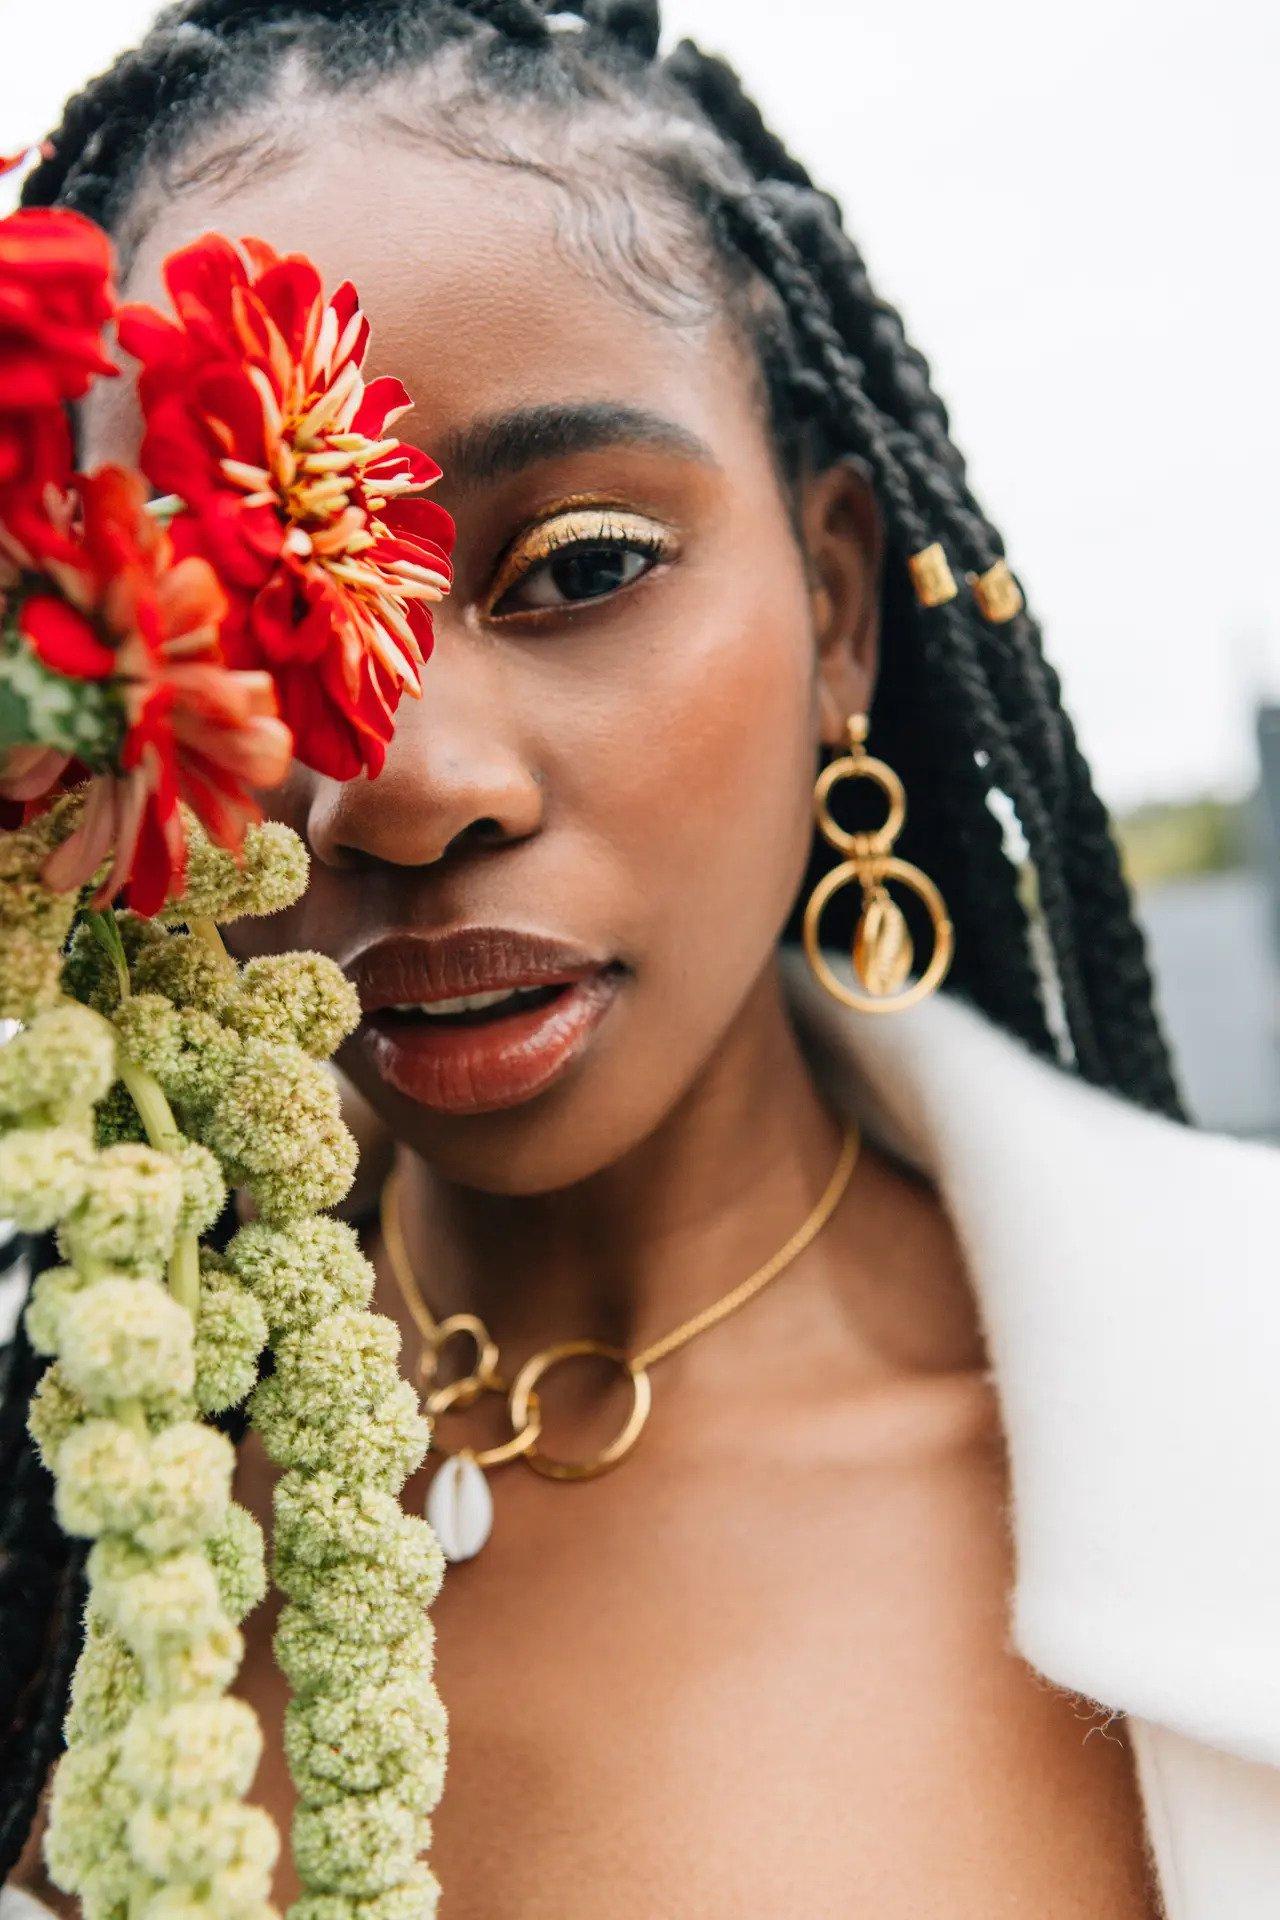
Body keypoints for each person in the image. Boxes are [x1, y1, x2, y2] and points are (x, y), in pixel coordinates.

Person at [3, 3, 1278, 1915]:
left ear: (837, 611)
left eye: (582, 565)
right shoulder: (76, 1497)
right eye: (249, 624)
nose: (414, 782)